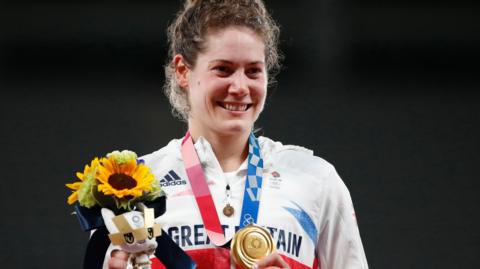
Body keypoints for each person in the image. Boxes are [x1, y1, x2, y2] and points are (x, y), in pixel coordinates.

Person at [108, 0, 368, 268]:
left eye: (253, 71)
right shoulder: (132, 187)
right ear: (183, 72)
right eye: (223, 69)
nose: (240, 87)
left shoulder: (315, 180)